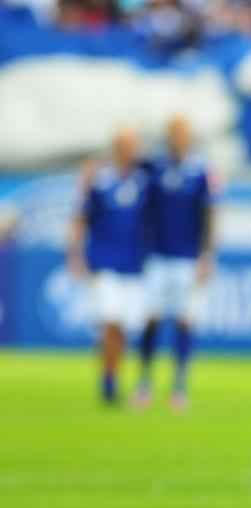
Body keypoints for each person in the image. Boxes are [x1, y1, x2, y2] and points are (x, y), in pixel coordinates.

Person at [137, 115, 217, 411]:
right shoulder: (154, 168)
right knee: (152, 319)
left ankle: (179, 384)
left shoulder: (200, 171)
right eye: (174, 133)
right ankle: (145, 381)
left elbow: (210, 214)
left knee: (185, 319)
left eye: (183, 133)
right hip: (157, 256)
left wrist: (207, 255)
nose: (178, 138)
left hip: (187, 257)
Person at [68, 127, 152, 405]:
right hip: (104, 262)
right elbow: (81, 217)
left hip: (134, 264)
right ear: (115, 148)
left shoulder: (144, 179)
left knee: (124, 327)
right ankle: (108, 379)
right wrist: (76, 254)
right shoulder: (100, 180)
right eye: (125, 146)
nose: (131, 151)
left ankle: (112, 373)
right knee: (110, 321)